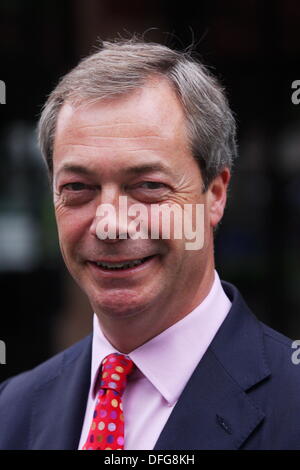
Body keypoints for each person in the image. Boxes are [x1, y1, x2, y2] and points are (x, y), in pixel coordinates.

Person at [1, 37, 300, 450]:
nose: (110, 224)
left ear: (214, 195)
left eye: (147, 186)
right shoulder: (13, 411)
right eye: (78, 187)